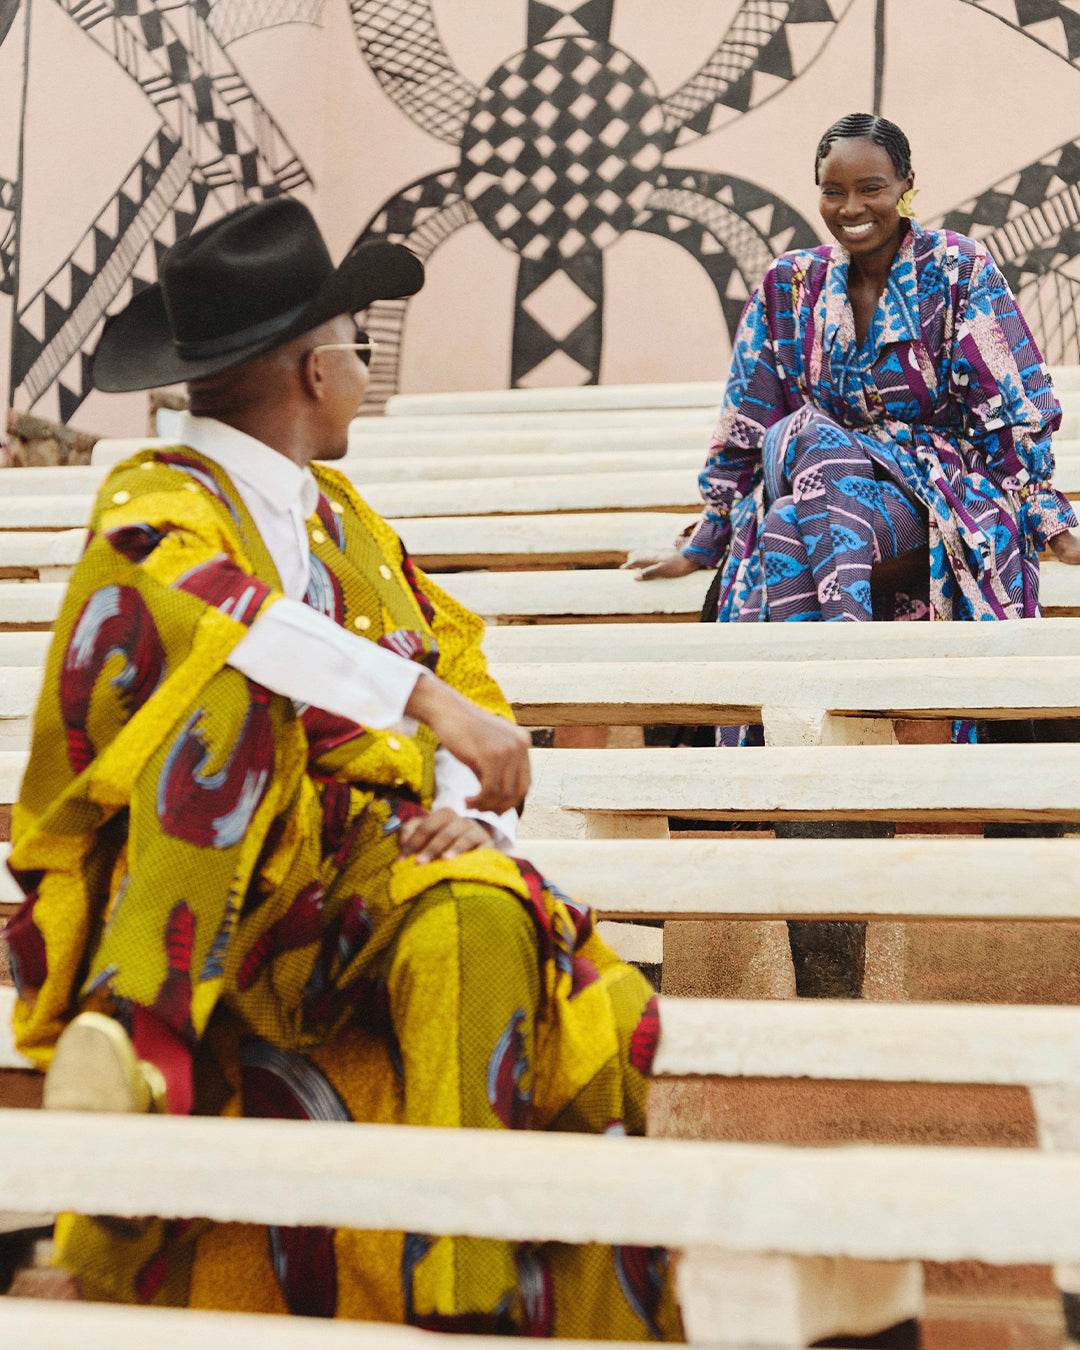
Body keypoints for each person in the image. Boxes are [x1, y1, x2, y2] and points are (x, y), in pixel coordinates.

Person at [4, 199, 680, 1339]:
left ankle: (466, 1288)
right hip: (197, 886)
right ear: (315, 372)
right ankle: (144, 1035)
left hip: (353, 870)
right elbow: (233, 618)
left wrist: (468, 812)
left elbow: (452, 655)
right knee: (218, 679)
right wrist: (421, 704)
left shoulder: (342, 521)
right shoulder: (157, 496)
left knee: (477, 913)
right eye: (357, 348)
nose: (366, 371)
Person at [633, 113, 1080, 733]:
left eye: (871, 188)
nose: (850, 207)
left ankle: (814, 720)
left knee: (786, 524)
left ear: (905, 185)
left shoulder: (958, 268)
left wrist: (1046, 515)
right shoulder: (789, 284)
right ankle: (851, 669)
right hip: (824, 482)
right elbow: (748, 415)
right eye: (832, 190)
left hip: (928, 494)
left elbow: (1013, 405)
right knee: (811, 439)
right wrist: (707, 535)